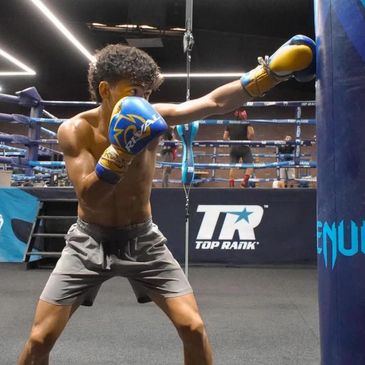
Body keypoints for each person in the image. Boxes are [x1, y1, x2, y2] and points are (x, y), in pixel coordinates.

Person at [18, 34, 315, 365]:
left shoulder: (153, 115)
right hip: (89, 240)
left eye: (147, 93)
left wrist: (268, 75)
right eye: (134, 92)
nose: (143, 101)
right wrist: (120, 151)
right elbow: (91, 197)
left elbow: (214, 102)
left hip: (142, 239)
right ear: (105, 90)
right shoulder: (75, 130)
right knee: (39, 339)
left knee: (194, 328)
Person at [223, 108, 254, 188]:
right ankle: (244, 181)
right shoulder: (246, 122)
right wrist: (248, 138)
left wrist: (232, 141)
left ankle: (231, 186)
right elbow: (251, 134)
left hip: (234, 147)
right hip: (244, 147)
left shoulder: (229, 123)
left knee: (233, 167)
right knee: (250, 165)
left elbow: (225, 137)